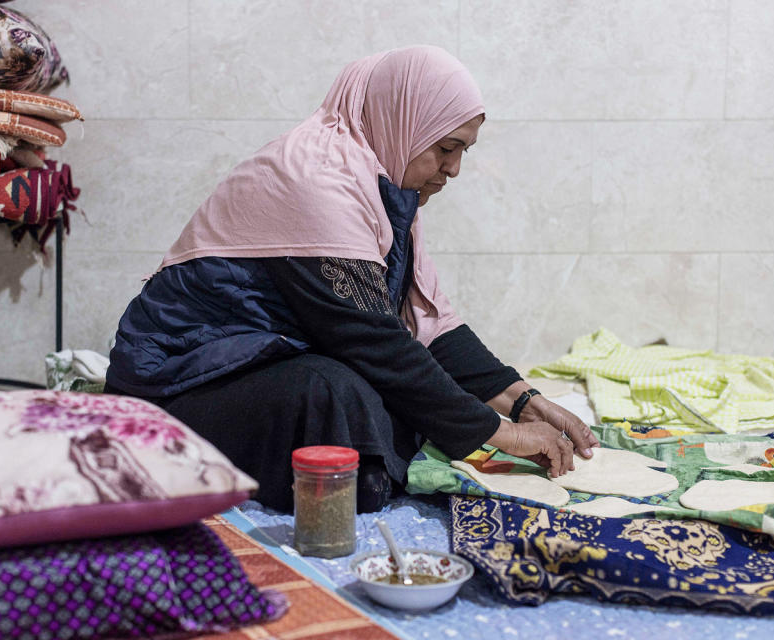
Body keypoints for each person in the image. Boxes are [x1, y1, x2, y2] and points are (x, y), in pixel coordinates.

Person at [104, 46, 600, 513]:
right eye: (447, 148)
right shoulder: (314, 179)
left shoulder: (382, 186)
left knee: (395, 392)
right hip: (179, 381)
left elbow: (430, 325)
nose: (454, 169)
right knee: (335, 393)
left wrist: (524, 401)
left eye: (464, 151)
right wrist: (502, 435)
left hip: (256, 360)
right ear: (406, 121)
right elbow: (374, 340)